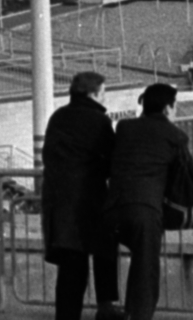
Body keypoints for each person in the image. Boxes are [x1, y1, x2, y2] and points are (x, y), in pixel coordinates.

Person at [105, 82, 193, 320]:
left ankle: (114, 308)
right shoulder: (177, 137)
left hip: (112, 209)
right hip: (145, 212)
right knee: (147, 269)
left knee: (122, 257)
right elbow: (182, 178)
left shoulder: (124, 127)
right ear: (167, 109)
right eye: (174, 107)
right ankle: (140, 315)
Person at [42, 72, 121, 320]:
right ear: (93, 93)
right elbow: (111, 160)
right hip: (90, 200)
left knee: (71, 265)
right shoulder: (99, 121)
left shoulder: (58, 117)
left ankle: (67, 315)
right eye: (103, 92)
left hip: (58, 201)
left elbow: (47, 156)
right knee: (105, 250)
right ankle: (106, 306)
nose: (105, 96)